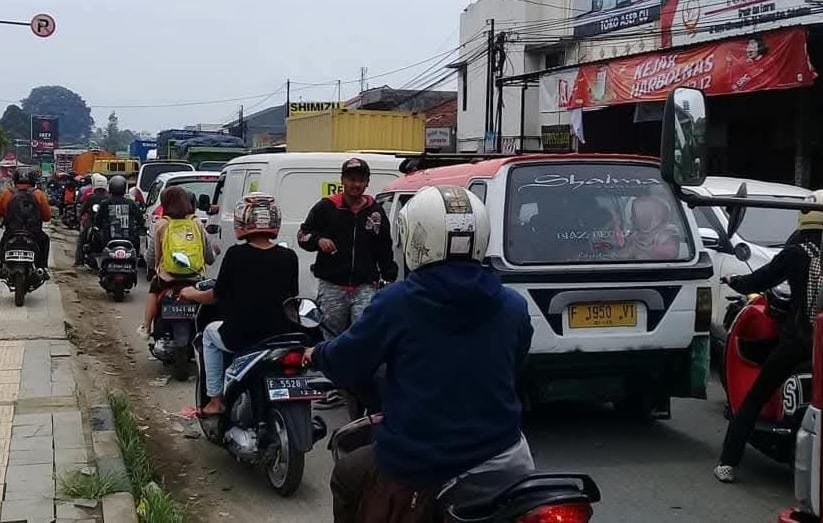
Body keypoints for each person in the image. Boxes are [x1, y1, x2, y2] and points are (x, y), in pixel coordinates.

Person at [303, 186, 535, 522]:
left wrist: (317, 353)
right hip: (505, 455)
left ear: (416, 238)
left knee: (348, 473)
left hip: (420, 462)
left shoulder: (397, 303)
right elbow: (515, 365)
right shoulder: (513, 305)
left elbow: (346, 362)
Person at [713, 192, 823, 483]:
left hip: (800, 342)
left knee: (754, 397)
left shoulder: (797, 252)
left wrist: (734, 281)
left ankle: (727, 463)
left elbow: (761, 280)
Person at [181, 193, 298, 416]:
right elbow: (292, 297)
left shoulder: (236, 255)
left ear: (242, 220)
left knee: (208, 335)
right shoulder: (289, 256)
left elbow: (216, 296)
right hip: (280, 335)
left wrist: (192, 294)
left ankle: (215, 401)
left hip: (243, 335)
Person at [298, 158, 398, 410]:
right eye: (352, 179)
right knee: (331, 335)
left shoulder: (375, 211)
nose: (356, 184)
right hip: (333, 284)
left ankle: (360, 387)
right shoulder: (326, 207)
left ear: (367, 182)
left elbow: (384, 246)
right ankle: (331, 386)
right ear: (342, 181)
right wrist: (318, 240)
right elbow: (303, 235)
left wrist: (389, 274)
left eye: (361, 180)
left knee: (364, 334)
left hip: (365, 285)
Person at [138, 186, 213, 339]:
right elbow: (209, 256)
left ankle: (146, 327)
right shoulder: (197, 223)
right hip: (195, 277)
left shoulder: (161, 224)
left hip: (167, 279)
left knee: (154, 289)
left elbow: (151, 258)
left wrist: (154, 267)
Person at [0, 169, 52, 274]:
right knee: (45, 240)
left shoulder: (7, 194)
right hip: (34, 233)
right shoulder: (39, 194)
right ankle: (42, 267)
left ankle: (2, 265)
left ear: (15, 180)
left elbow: (1, 212)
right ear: (33, 181)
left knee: (2, 244)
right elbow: (47, 216)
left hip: (12, 231)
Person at [95, 175, 143, 249]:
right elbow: (140, 220)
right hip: (130, 242)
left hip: (108, 242)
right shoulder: (131, 203)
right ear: (124, 189)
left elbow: (97, 221)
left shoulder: (105, 203)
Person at [74, 173, 109, 267]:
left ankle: (79, 261)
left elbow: (82, 209)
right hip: (103, 225)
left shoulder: (91, 197)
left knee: (81, 239)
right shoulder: (108, 198)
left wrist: (79, 218)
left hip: (94, 224)